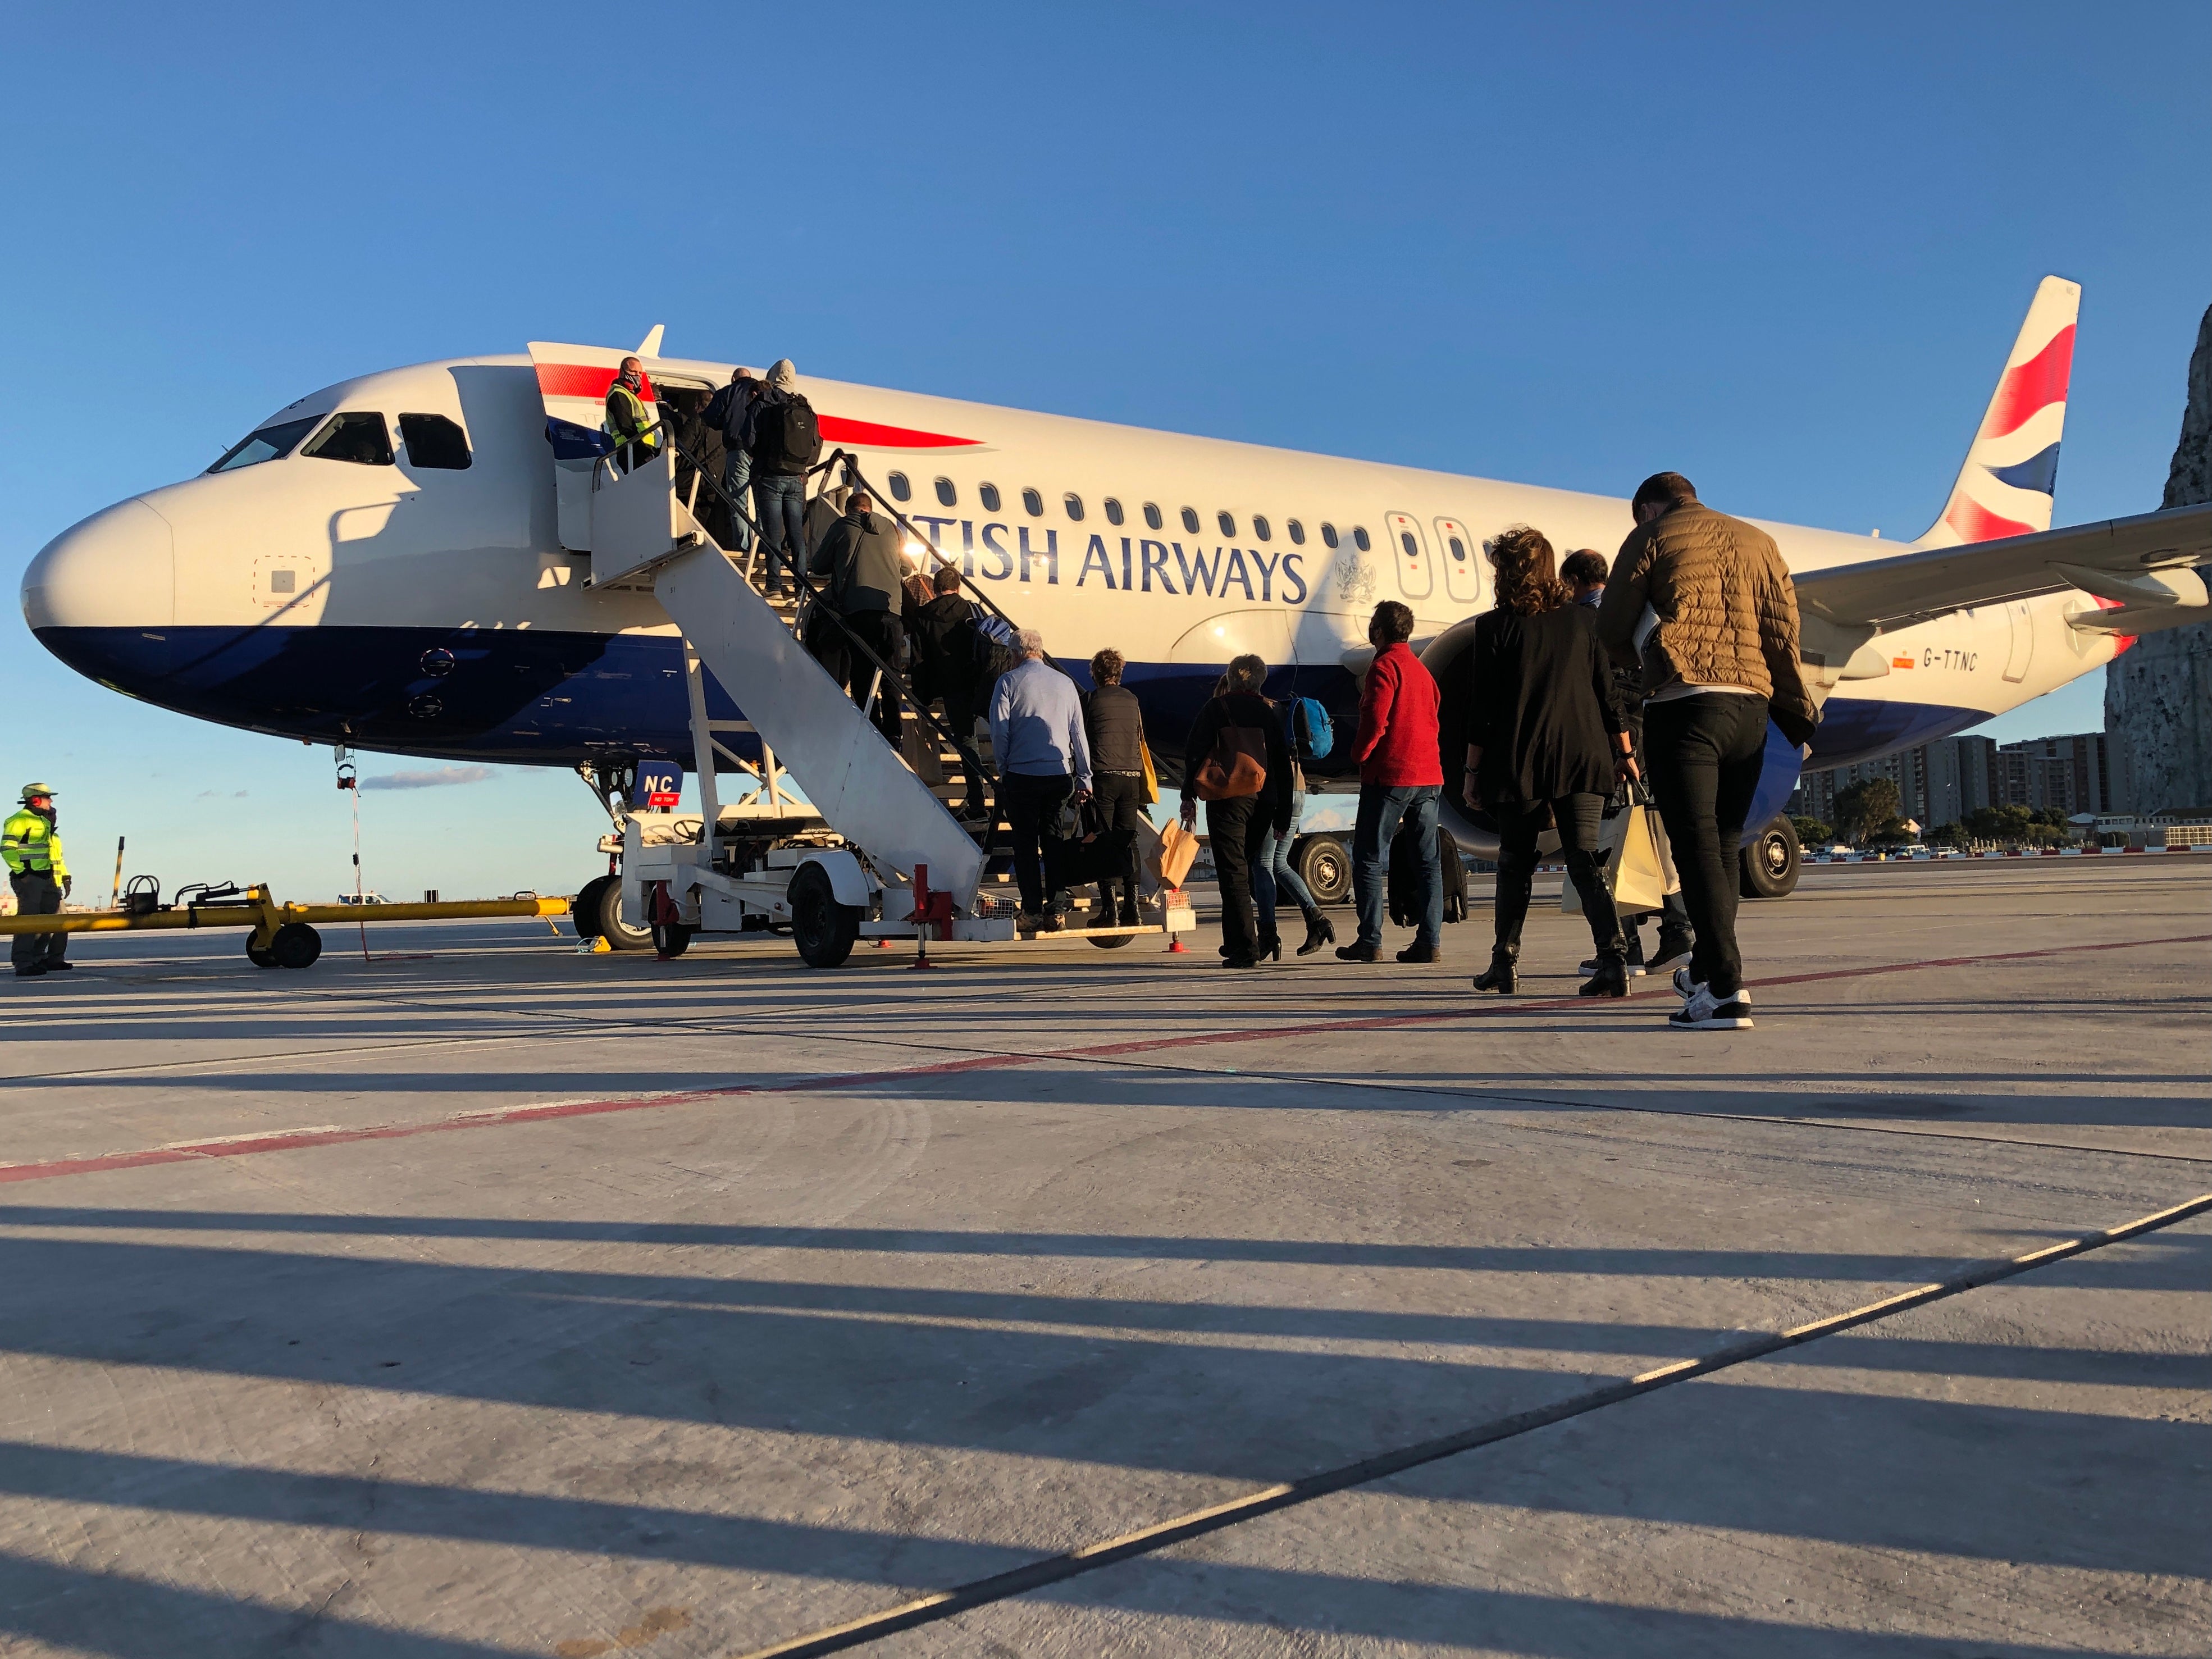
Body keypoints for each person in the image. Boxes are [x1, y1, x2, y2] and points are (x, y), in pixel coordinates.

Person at [1597, 471, 1819, 1031]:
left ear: (1648, 508)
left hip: (1687, 703)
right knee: (1721, 845)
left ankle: (1724, 987)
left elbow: (1612, 624)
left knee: (1693, 845)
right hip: (1750, 708)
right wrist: (1792, 705)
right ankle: (1706, 970)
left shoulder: (1653, 536)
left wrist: (1637, 668)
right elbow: (1784, 629)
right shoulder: (1759, 541)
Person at [1462, 527, 1638, 998]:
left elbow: (1483, 711)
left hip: (1520, 758)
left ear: (1508, 573)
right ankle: (1613, 959)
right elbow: (1608, 694)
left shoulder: (1494, 627)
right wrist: (1624, 754)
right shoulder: (1583, 623)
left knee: (1515, 862)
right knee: (1584, 859)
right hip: (1581, 755)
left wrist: (1472, 771)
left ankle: (1505, 961)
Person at [1562, 546, 1694, 977]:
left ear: (1574, 582)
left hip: (1614, 741)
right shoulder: (1642, 614)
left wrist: (1620, 748)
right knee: (1653, 838)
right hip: (1650, 732)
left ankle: (1626, 946)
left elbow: (1599, 690)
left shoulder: (1584, 621)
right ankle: (1678, 933)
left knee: (1608, 844)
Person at [1338, 601, 1444, 964]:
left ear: (1378, 631)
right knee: (1427, 862)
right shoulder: (1421, 671)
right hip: (1429, 777)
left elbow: (1375, 720)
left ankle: (1369, 939)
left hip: (1391, 775)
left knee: (1367, 856)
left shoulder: (1383, 667)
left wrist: (1359, 754)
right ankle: (1429, 940)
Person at [1181, 656, 1293, 968]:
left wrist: (1188, 794)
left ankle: (1246, 948)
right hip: (1264, 800)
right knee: (1242, 869)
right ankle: (1235, 942)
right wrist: (1284, 815)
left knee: (1233, 875)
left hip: (1228, 797)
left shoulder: (1215, 708)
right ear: (1260, 681)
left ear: (1230, 678)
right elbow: (1283, 765)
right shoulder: (1268, 711)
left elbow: (1194, 753)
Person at [989, 629, 1092, 928]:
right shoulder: (1066, 683)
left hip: (1022, 774)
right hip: (1059, 774)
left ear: (1016, 654)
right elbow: (1078, 734)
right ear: (1041, 651)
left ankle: (1032, 911)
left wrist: (1003, 766)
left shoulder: (1007, 682)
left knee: (1025, 844)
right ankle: (1056, 910)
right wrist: (1084, 776)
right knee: (1054, 840)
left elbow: (999, 730)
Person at [816, 491, 910, 743]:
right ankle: (894, 729)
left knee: (862, 671)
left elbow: (818, 565)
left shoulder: (843, 526)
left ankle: (873, 724)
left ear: (850, 510)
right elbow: (907, 568)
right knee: (892, 672)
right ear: (870, 508)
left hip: (857, 610)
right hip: (891, 610)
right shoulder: (891, 528)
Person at [1252, 694, 1334, 958]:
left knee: (1262, 864)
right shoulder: (1281, 708)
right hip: (1298, 788)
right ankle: (1317, 921)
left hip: (1278, 792)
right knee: (1279, 863)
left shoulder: (1257, 713)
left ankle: (1268, 934)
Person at [905, 563, 989, 816]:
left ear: (935, 587)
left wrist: (923, 697)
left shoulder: (922, 616)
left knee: (967, 743)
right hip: (978, 684)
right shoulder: (971, 609)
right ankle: (995, 798)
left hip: (950, 689)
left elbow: (918, 659)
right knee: (996, 741)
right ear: (958, 587)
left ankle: (978, 802)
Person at [1082, 649, 1150, 927]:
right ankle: (1133, 908)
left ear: (1096, 674)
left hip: (1103, 776)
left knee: (1102, 841)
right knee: (1128, 840)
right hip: (1131, 775)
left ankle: (1110, 910)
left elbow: (1083, 736)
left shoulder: (1091, 700)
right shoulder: (1132, 700)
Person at [743, 359, 816, 598]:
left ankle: (774, 586)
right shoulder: (804, 405)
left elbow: (749, 440)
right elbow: (815, 446)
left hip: (769, 476)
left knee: (773, 533)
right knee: (796, 534)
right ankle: (801, 587)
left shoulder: (764, 401)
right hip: (797, 477)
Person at [4, 783, 71, 978]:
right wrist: (22, 872)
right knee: (28, 922)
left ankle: (46, 959)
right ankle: (24, 963)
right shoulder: (19, 821)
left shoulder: (46, 824)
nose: (51, 801)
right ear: (35, 800)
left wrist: (64, 876)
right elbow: (7, 848)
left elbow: (54, 854)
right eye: (47, 797)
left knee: (57, 919)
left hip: (47, 877)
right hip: (29, 878)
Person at [701, 368, 758, 552]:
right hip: (762, 453)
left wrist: (725, 423)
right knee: (762, 501)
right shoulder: (764, 392)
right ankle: (765, 547)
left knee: (738, 502)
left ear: (734, 379)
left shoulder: (728, 392)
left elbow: (710, 418)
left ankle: (744, 547)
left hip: (738, 450)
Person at [602, 357, 659, 475]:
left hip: (640, 449)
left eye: (640, 373)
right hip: (632, 451)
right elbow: (626, 427)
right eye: (633, 372)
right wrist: (645, 453)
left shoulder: (630, 395)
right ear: (622, 372)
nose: (637, 376)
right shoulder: (619, 394)